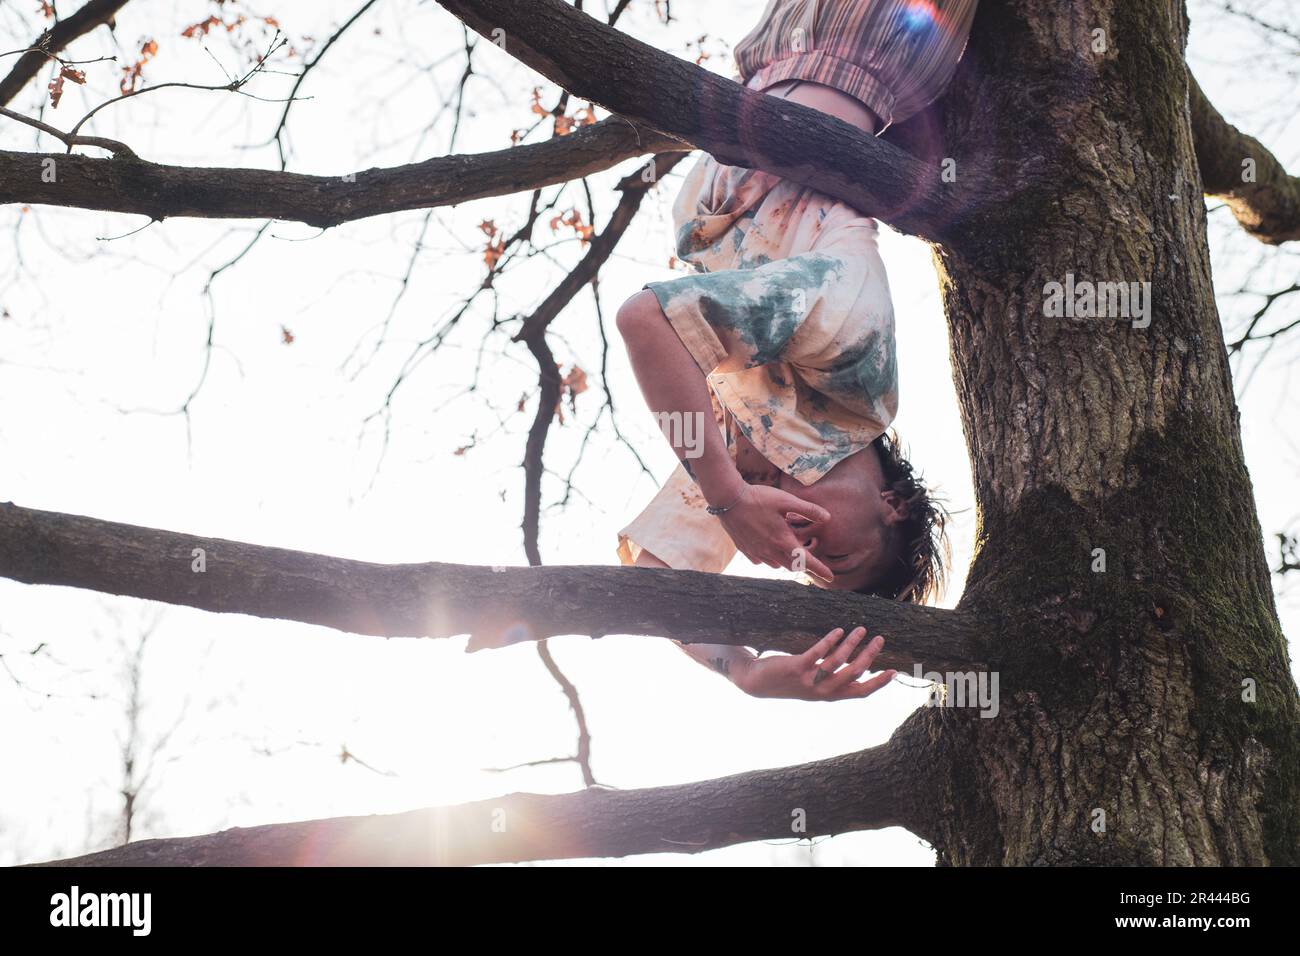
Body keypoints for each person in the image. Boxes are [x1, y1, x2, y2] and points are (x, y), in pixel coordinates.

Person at [616, 0, 975, 700]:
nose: (793, 545)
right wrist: (725, 498)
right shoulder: (852, 356)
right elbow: (648, 320)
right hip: (863, 30)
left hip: (781, 49)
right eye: (829, 549)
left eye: (801, 563)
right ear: (892, 503)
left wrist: (743, 669)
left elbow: (653, 578)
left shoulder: (751, 450)